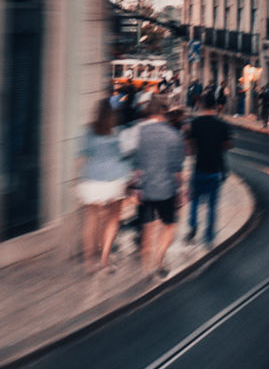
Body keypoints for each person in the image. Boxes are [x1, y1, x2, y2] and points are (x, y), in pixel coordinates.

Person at [133, 98, 185, 275]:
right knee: (169, 225)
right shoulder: (173, 135)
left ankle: (146, 265)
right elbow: (177, 169)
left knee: (147, 226)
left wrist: (136, 187)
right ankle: (158, 260)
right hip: (166, 189)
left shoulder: (140, 133)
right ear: (163, 113)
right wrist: (180, 190)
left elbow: (137, 164)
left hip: (145, 188)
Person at [76, 98, 129, 272]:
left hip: (92, 179)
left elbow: (81, 155)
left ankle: (89, 262)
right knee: (113, 219)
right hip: (114, 179)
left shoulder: (88, 131)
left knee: (91, 220)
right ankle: (104, 259)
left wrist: (77, 178)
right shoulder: (117, 132)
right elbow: (123, 155)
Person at [184, 89, 231, 248]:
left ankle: (193, 225)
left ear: (202, 105)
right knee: (212, 205)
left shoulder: (195, 123)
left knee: (194, 200)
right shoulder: (222, 125)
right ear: (215, 106)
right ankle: (209, 237)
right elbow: (227, 145)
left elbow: (190, 147)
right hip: (215, 169)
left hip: (199, 168)